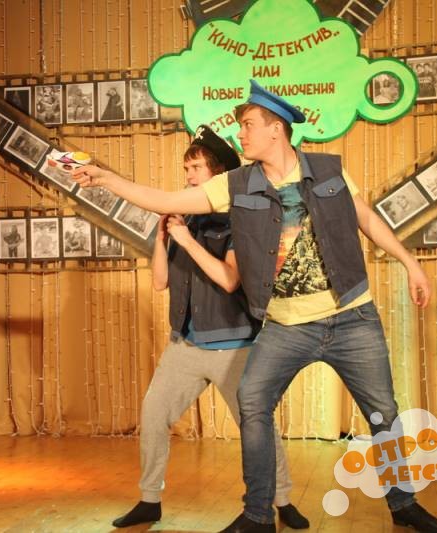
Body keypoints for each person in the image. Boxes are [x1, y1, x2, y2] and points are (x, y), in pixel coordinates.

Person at [73, 80, 437, 533]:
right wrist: (107, 179)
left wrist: (410, 263)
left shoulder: (327, 170)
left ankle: (403, 505)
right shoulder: (235, 185)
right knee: (252, 401)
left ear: (276, 129)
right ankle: (257, 515)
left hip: (351, 316)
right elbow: (167, 201)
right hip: (287, 326)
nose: (241, 134)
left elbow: (365, 218)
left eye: (248, 125)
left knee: (382, 411)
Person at [111, 125, 308, 530]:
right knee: (153, 415)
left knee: (257, 426)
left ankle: (283, 499)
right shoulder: (183, 220)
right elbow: (160, 282)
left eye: (196, 168)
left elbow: (229, 280)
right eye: (186, 168)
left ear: (219, 174)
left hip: (233, 346)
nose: (188, 176)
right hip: (184, 344)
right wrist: (162, 236)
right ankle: (149, 499)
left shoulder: (240, 218)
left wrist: (185, 240)